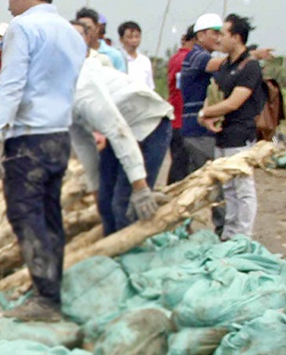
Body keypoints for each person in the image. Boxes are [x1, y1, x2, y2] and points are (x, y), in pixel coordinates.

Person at [0, 0, 85, 321]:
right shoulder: (71, 33)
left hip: (28, 139)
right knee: (49, 214)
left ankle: (46, 298)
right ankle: (50, 288)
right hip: (58, 136)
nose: (8, 3)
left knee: (25, 215)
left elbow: (11, 84)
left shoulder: (23, 27)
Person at [70, 37, 171, 235]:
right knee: (106, 203)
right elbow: (84, 145)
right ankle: (113, 247)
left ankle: (134, 250)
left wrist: (140, 188)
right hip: (120, 130)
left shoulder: (80, 89)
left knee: (124, 206)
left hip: (149, 125)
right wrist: (97, 191)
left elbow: (118, 131)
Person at [196, 14, 265, 241]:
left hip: (241, 135)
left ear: (236, 37)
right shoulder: (225, 65)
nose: (219, 39)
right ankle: (229, 233)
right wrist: (207, 115)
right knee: (228, 188)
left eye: (223, 34)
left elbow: (234, 103)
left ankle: (243, 236)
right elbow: (214, 93)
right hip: (222, 135)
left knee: (243, 188)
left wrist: (204, 114)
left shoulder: (250, 67)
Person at [172, 14, 225, 183]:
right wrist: (243, 55)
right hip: (198, 130)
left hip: (200, 129)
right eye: (215, 33)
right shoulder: (197, 56)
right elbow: (217, 64)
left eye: (221, 33)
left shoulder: (202, 55)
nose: (219, 38)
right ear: (201, 35)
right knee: (208, 181)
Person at [117, 20, 155, 91]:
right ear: (121, 39)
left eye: (137, 37)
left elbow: (150, 87)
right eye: (130, 37)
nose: (134, 40)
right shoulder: (117, 58)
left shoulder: (145, 61)